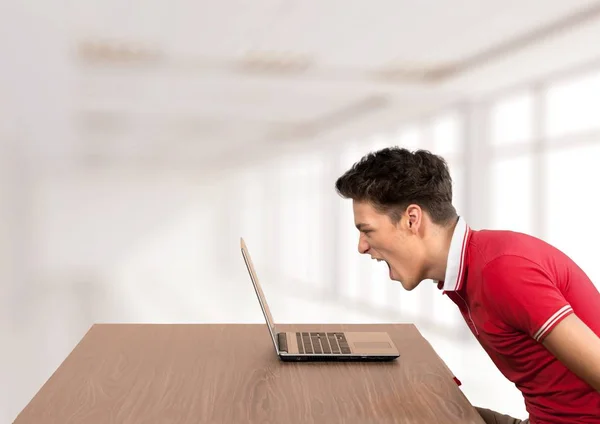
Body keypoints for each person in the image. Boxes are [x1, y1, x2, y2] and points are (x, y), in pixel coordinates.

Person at [334, 147, 600, 424]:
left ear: (412, 219)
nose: (362, 247)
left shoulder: (502, 270)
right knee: (408, 408)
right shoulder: (471, 269)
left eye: (367, 230)